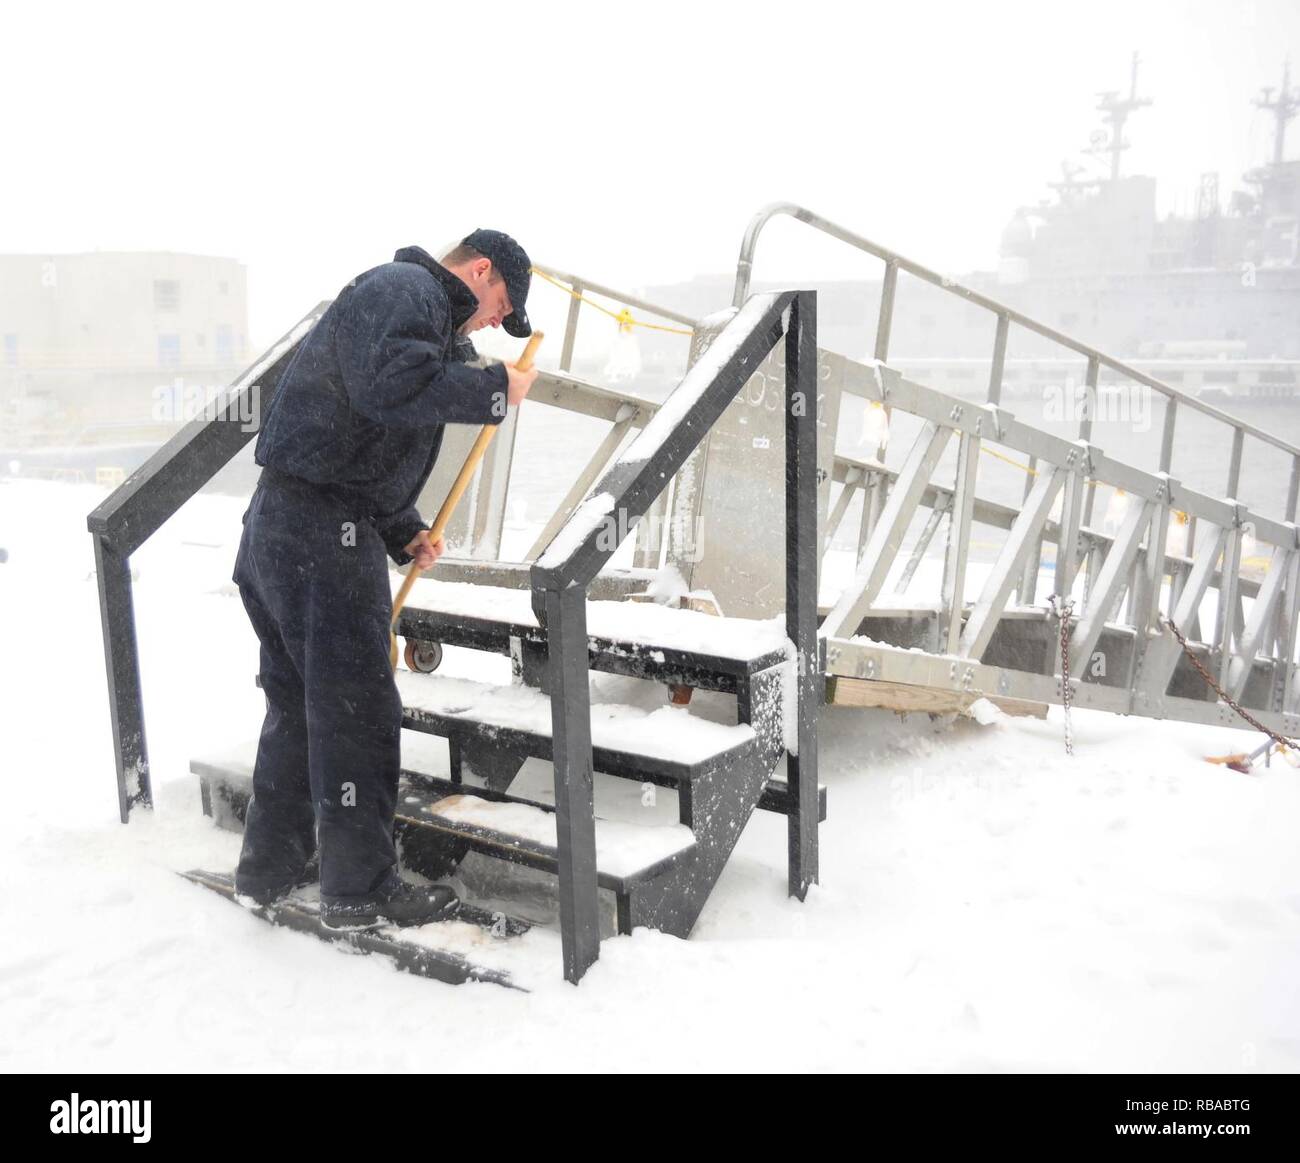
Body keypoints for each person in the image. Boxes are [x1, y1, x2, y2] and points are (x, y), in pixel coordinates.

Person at [231, 229, 539, 928]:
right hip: (319, 540)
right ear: (481, 270)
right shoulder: (407, 290)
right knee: (356, 714)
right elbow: (391, 389)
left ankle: (270, 869)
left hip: (287, 524)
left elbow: (362, 434)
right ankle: (360, 890)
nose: (496, 323)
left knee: (298, 706)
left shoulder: (412, 310)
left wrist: (402, 528)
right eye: (501, 306)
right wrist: (496, 388)